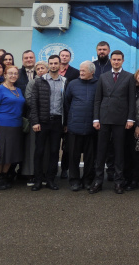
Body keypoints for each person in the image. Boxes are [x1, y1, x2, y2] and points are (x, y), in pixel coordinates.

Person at [90, 50, 135, 194]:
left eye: (118, 60)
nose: (116, 62)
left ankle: (118, 182)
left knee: (119, 151)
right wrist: (96, 118)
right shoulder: (103, 77)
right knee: (101, 151)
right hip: (104, 119)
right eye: (114, 59)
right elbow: (98, 99)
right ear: (110, 60)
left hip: (121, 120)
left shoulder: (129, 77)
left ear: (123, 61)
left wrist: (130, 118)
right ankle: (98, 181)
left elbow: (131, 100)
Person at [29, 54, 65, 191]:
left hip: (57, 121)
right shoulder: (40, 81)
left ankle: (50, 179)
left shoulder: (64, 81)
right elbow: (34, 103)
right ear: (48, 65)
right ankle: (38, 180)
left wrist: (65, 123)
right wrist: (35, 121)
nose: (53, 65)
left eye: (56, 63)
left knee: (54, 152)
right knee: (39, 151)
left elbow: (66, 104)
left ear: (60, 65)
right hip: (43, 122)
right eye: (51, 63)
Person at [0, 65, 25, 190]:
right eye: (10, 73)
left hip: (16, 126)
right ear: (5, 75)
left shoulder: (18, 90)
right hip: (2, 125)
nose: (13, 76)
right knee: (1, 153)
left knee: (11, 153)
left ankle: (4, 175)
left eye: (15, 73)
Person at [63, 61, 99, 191]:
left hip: (92, 128)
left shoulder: (98, 84)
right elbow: (66, 103)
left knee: (90, 157)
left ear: (92, 72)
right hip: (74, 126)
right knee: (73, 156)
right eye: (80, 70)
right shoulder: (72, 84)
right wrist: (68, 122)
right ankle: (74, 181)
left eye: (84, 71)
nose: (81, 72)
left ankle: (88, 180)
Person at [23, 60, 48, 186]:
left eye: (43, 68)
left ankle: (43, 173)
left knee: (45, 148)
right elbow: (28, 99)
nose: (40, 71)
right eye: (38, 69)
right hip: (34, 118)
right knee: (32, 148)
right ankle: (31, 174)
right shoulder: (32, 83)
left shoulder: (50, 82)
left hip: (47, 120)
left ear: (47, 70)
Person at [58, 48, 79, 178]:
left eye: (67, 56)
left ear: (70, 58)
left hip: (68, 111)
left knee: (67, 145)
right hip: (55, 112)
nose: (64, 57)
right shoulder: (51, 71)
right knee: (53, 144)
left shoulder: (75, 73)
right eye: (62, 55)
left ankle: (64, 169)